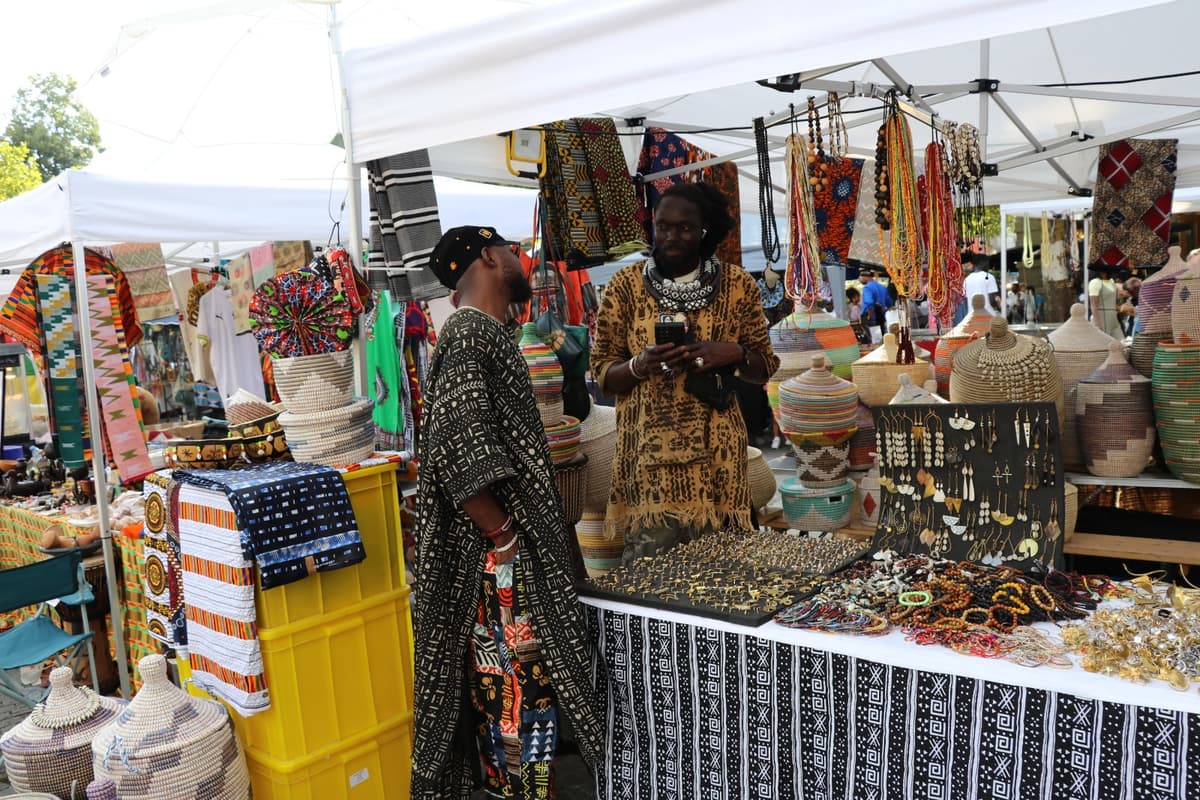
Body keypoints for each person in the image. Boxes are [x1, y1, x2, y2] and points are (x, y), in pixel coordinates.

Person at [411, 226, 603, 799]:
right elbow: (455, 451)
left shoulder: (478, 332)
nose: (523, 261)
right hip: (502, 569)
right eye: (513, 252)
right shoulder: (473, 334)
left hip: (502, 560)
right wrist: (505, 536)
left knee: (518, 701)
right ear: (490, 257)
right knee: (521, 703)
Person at [592, 182, 779, 560]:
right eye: (663, 226)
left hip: (719, 457)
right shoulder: (624, 287)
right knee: (655, 578)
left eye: (685, 227)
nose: (671, 236)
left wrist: (734, 353)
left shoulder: (738, 286)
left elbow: (765, 367)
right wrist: (639, 365)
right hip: (649, 464)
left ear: (704, 229)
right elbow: (601, 371)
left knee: (728, 577)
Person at [1088, 265, 1124, 340]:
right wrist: (1097, 323)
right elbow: (1093, 305)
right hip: (1102, 316)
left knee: (1121, 342)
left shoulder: (1112, 281)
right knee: (1104, 344)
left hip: (1113, 317)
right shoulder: (1095, 282)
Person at [859, 269, 890, 341]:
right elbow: (889, 304)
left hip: (871, 316)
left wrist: (870, 315)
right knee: (881, 339)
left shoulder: (867, 288)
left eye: (859, 277)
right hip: (881, 316)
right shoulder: (883, 287)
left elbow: (869, 302)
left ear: (865, 277)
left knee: (875, 340)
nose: (859, 279)